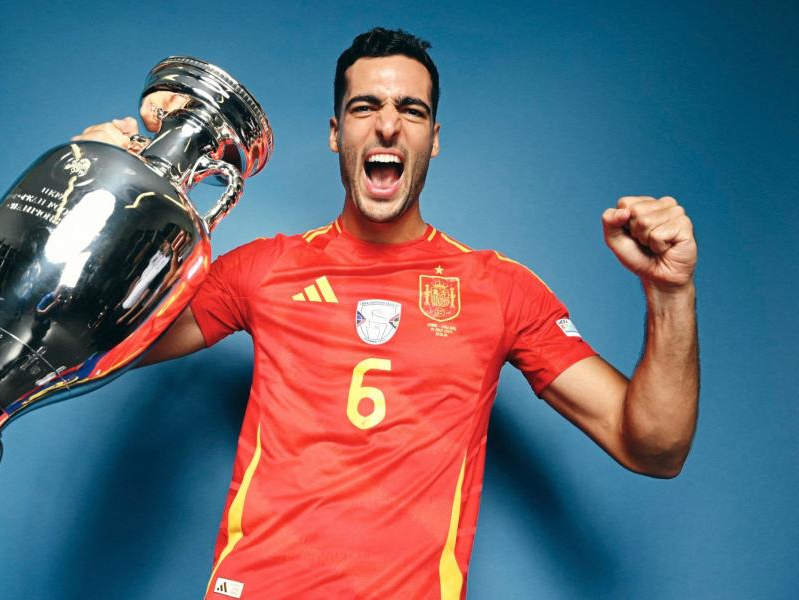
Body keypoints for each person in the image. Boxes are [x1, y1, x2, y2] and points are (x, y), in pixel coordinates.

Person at [76, 27, 698, 600]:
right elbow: (101, 345)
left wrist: (670, 294)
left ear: (434, 137)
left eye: (412, 110)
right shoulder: (264, 269)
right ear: (335, 132)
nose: (388, 127)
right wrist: (100, 194)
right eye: (365, 106)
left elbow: (653, 447)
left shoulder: (500, 289)